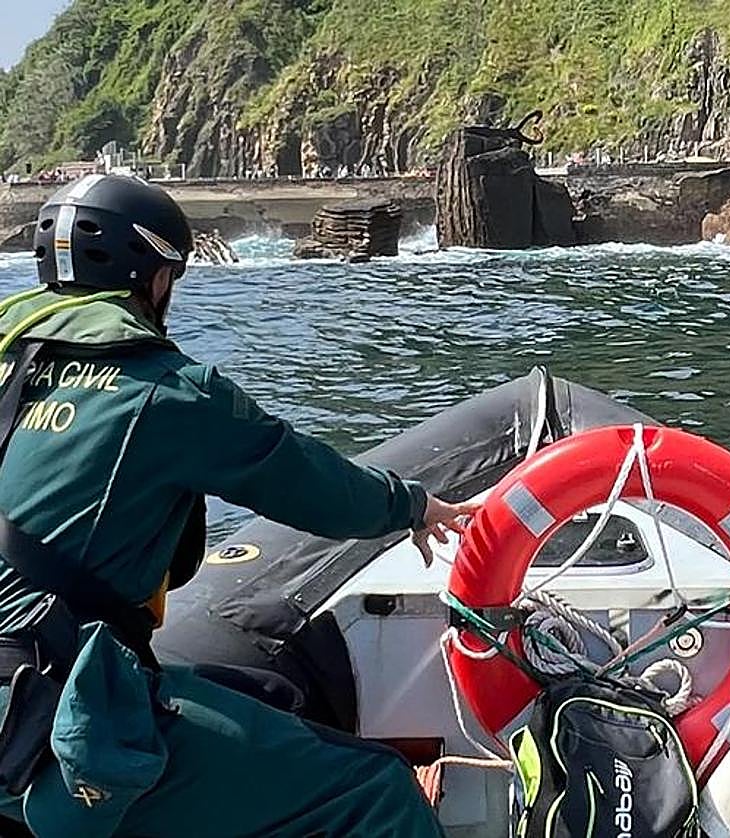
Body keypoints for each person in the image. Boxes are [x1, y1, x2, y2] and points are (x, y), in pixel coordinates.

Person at [0, 174, 474, 836]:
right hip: (46, 718)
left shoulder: (9, 361)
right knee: (376, 789)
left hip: (31, 684)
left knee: (269, 697)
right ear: (155, 278)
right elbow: (307, 481)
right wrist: (413, 507)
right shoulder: (163, 391)